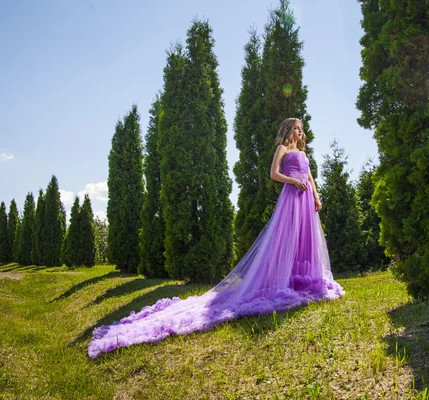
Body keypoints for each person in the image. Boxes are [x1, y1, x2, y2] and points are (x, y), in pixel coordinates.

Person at [88, 118, 344, 358]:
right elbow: (274, 174)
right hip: (291, 198)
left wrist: (317, 197)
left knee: (305, 240)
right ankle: (280, 281)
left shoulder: (303, 153)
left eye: (301, 129)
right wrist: (293, 182)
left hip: (306, 199)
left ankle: (302, 281)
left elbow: (310, 177)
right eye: (297, 128)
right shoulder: (282, 150)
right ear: (288, 130)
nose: (301, 132)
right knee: (286, 239)